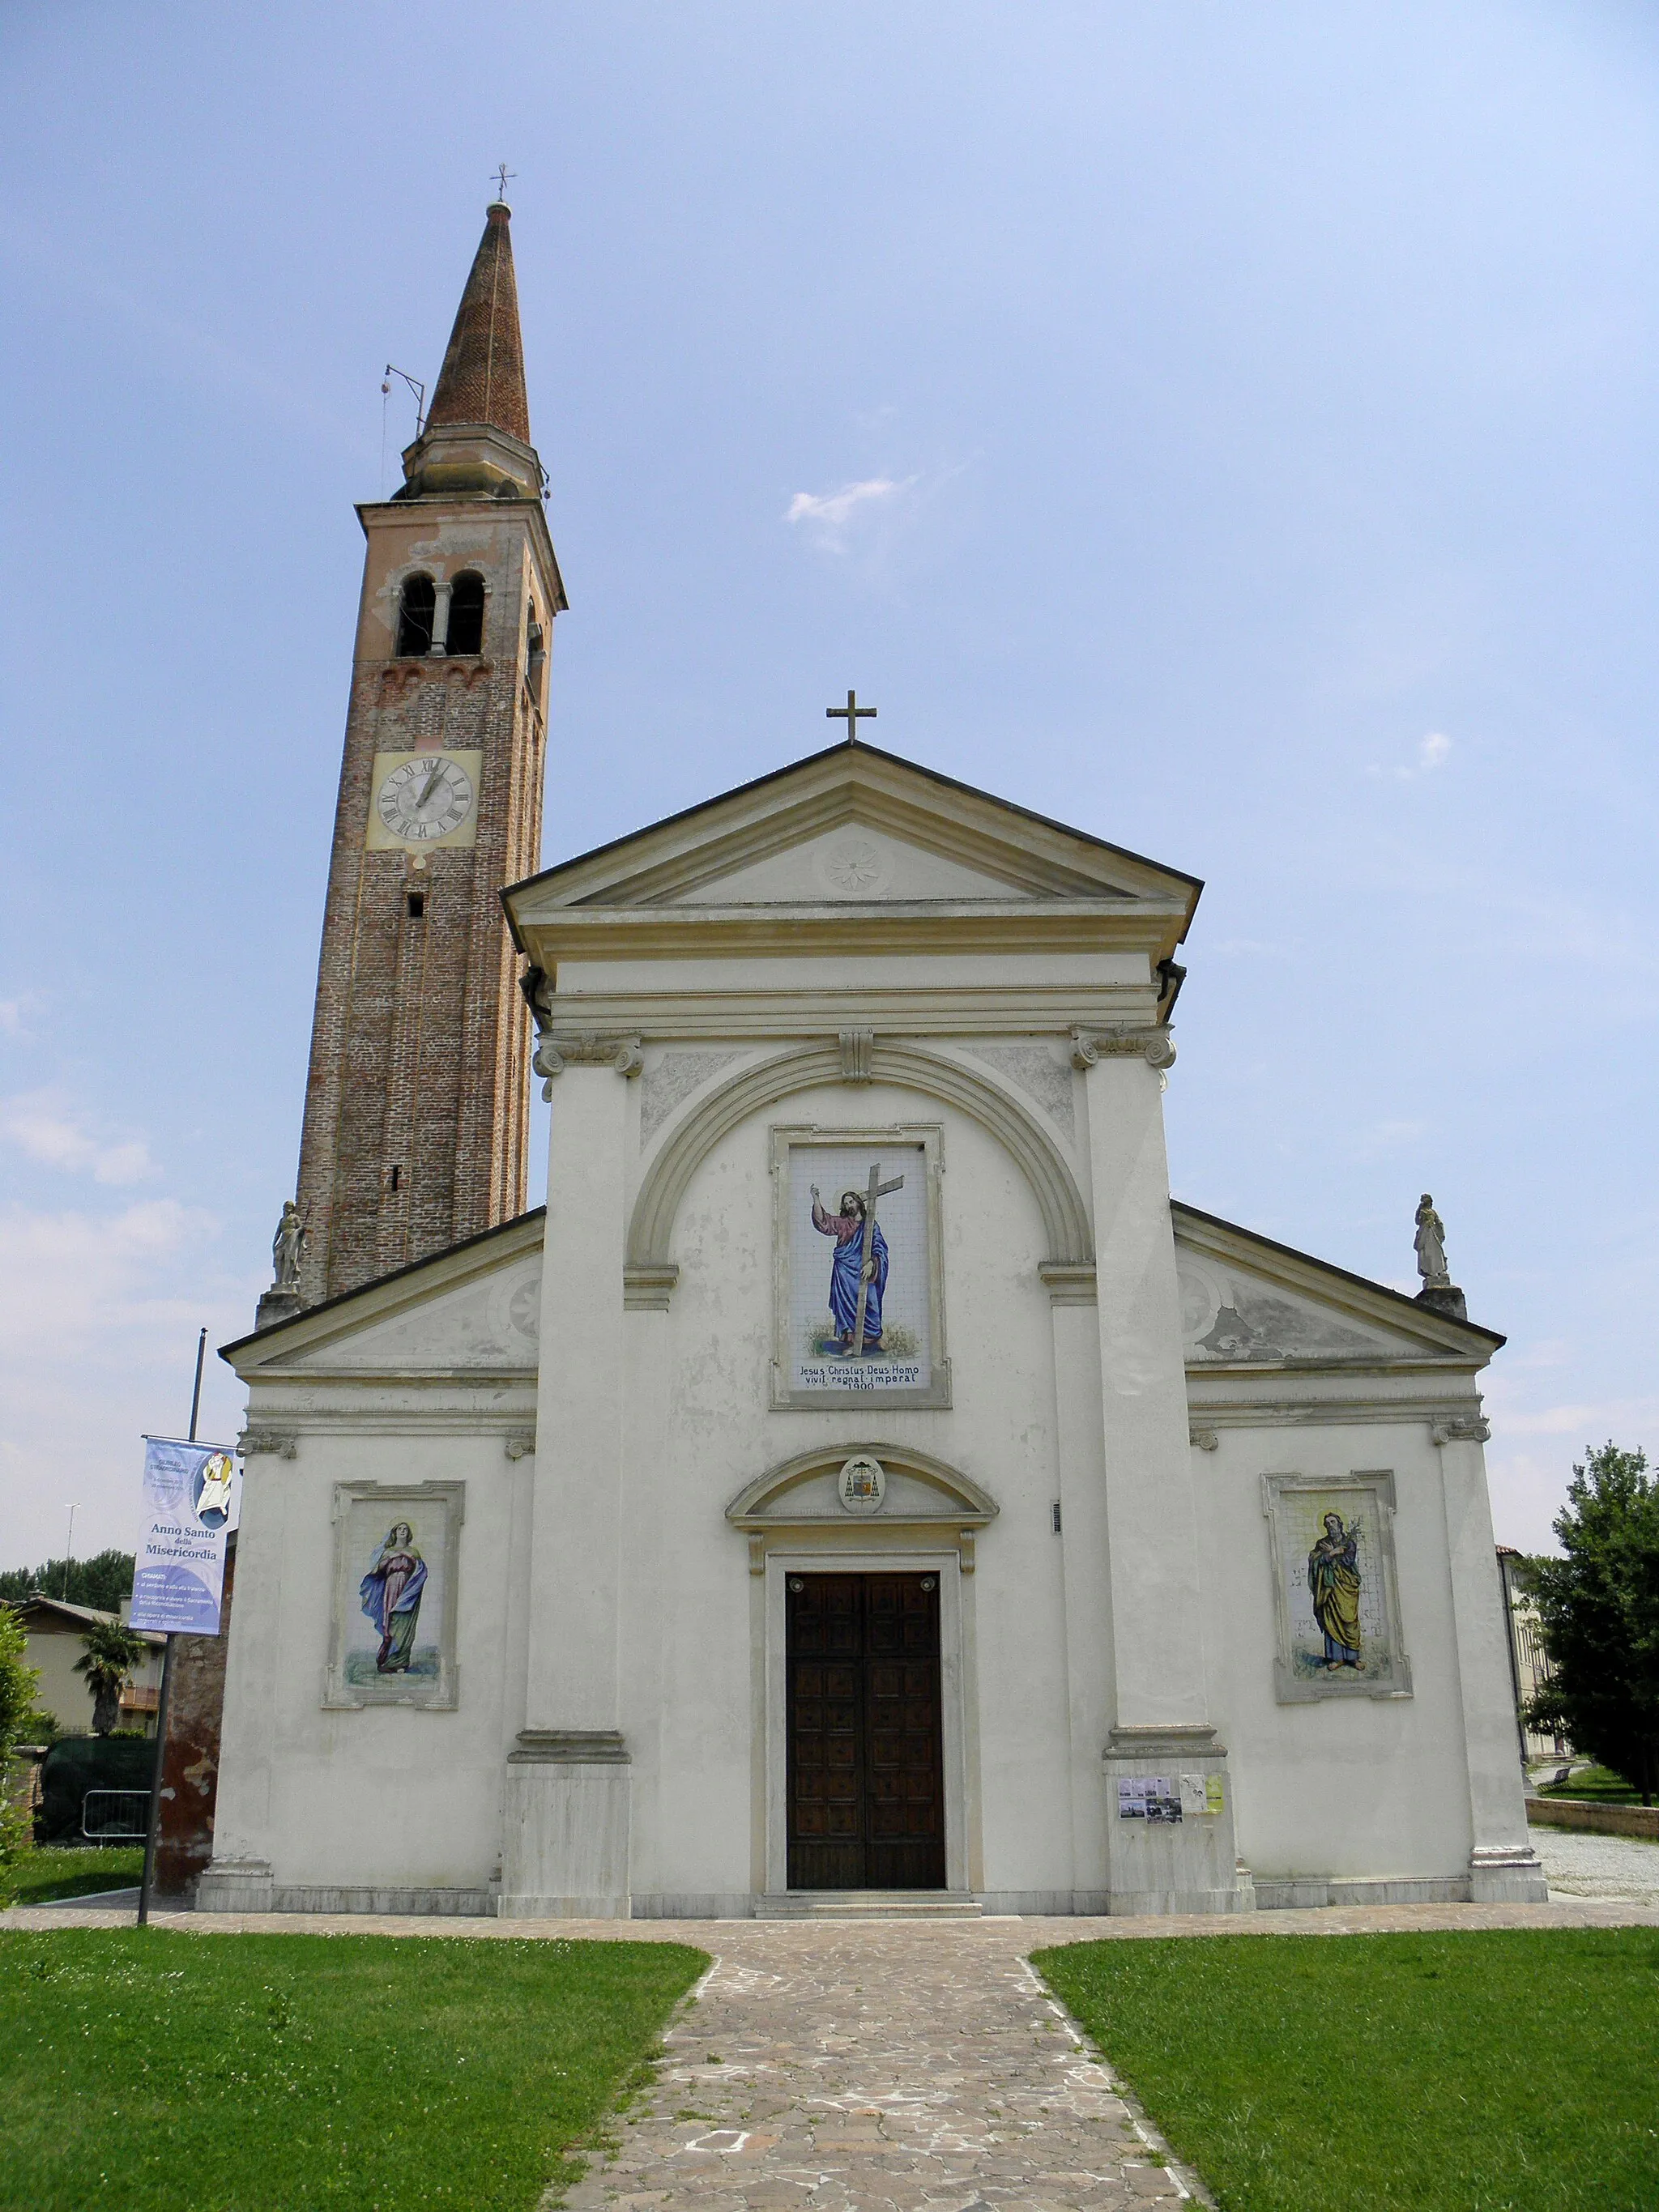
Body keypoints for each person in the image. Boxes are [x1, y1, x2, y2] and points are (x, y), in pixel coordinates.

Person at [810, 1184, 888, 1354]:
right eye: (845, 1204)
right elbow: (824, 1222)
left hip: (865, 1272)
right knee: (847, 1306)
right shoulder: (843, 1223)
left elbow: (880, 1247)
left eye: (851, 1202)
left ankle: (875, 1336)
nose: (848, 1206)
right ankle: (855, 1343)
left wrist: (872, 1263)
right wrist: (816, 1200)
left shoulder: (870, 1224)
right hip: (844, 1273)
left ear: (859, 1203)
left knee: (871, 1302)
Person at [360, 1522, 427, 1673]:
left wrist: (412, 1559)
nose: (402, 1531)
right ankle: (388, 1659)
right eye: (400, 1529)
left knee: (403, 1622)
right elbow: (379, 1569)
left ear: (408, 1534)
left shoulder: (413, 1551)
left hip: (407, 1589)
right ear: (395, 1533)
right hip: (391, 1587)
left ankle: (401, 1661)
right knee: (390, 1621)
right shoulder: (388, 1551)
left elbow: (420, 1571)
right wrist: (393, 1556)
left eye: (405, 1529)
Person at [1307, 1513, 1363, 1668]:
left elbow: (1348, 1561)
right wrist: (1331, 1553)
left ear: (1339, 1524)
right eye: (1327, 1523)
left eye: (1333, 1522)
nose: (1330, 1525)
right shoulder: (1322, 1543)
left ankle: (1353, 1658)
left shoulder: (1349, 1543)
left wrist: (1337, 1552)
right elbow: (1313, 1559)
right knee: (1331, 1619)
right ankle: (1336, 1658)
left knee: (1349, 1619)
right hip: (1329, 1589)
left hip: (1346, 1586)